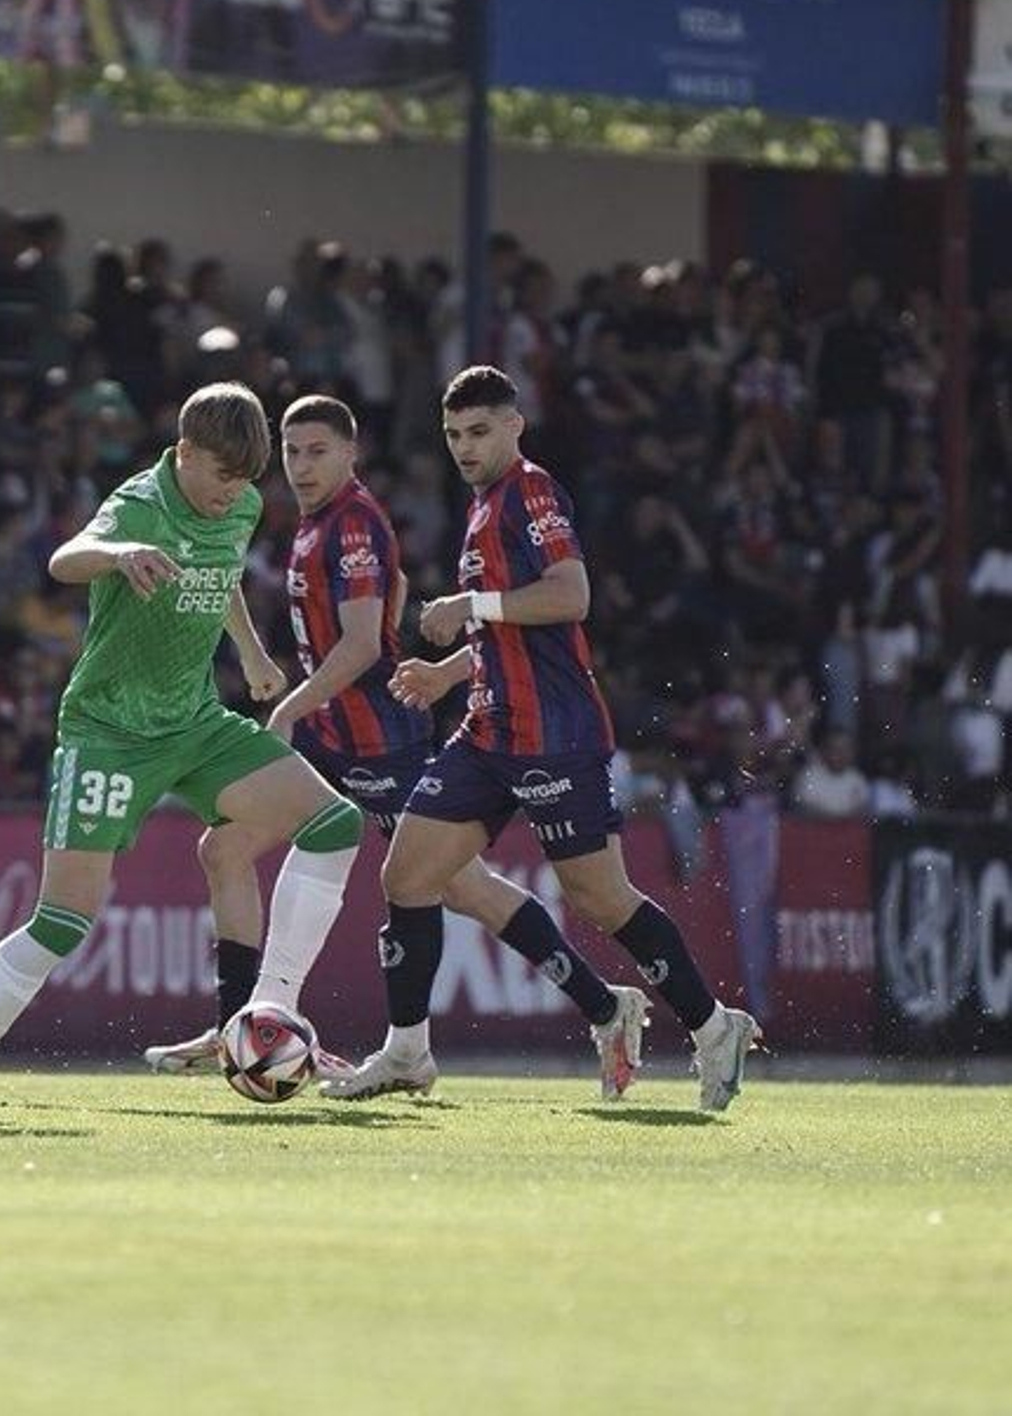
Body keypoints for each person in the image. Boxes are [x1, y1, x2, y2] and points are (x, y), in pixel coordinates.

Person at [142, 394, 651, 1099]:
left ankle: (603, 1006)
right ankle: (242, 1024)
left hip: (381, 740)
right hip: (333, 734)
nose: (301, 465)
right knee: (223, 846)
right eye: (291, 452)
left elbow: (356, 647)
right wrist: (262, 659)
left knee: (460, 887)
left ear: (351, 454)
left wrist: (286, 706)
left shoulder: (352, 525)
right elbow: (368, 595)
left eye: (317, 450)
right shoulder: (317, 523)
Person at [0, 383, 365, 1108]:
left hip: (194, 722)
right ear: (184, 454)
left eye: (244, 483)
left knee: (335, 821)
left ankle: (267, 1010)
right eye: (220, 478)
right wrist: (119, 552)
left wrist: (249, 653)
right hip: (110, 734)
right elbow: (66, 559)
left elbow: (220, 580)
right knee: (63, 919)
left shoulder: (241, 503)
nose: (231, 498)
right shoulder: (140, 503)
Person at [322, 367, 760, 1112]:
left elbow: (571, 595)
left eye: (480, 431)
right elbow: (513, 630)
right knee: (408, 876)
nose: (465, 447)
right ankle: (407, 1051)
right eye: (454, 435)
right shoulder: (482, 504)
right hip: (488, 729)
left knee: (600, 898)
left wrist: (470, 604)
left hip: (555, 734)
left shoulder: (530, 491)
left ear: (514, 426)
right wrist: (449, 672)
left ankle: (714, 1026)